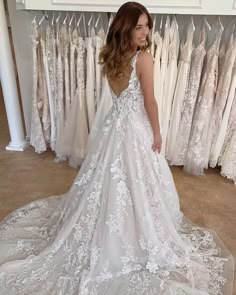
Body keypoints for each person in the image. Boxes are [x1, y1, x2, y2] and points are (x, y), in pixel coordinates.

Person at [0, 2, 234, 294]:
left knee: (110, 179)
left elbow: (118, 97)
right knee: (137, 181)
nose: (146, 32)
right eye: (139, 27)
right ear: (126, 28)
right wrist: (158, 133)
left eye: (148, 25)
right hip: (134, 127)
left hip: (115, 126)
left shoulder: (110, 56)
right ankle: (136, 234)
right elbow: (150, 102)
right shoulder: (143, 59)